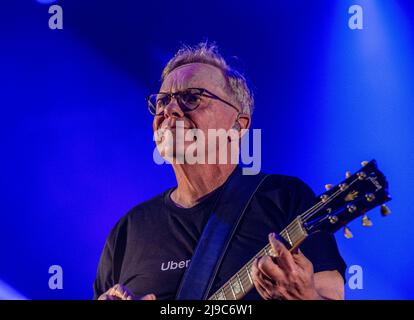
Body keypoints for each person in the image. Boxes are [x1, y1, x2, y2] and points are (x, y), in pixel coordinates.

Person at [93, 42, 346, 300]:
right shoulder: (128, 229)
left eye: (192, 98)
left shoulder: (285, 199)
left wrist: (305, 298)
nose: (169, 110)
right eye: (162, 101)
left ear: (238, 125)